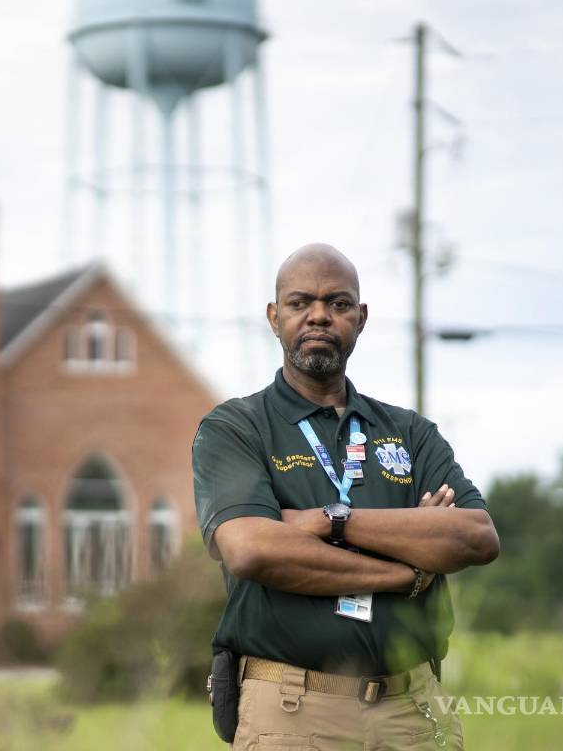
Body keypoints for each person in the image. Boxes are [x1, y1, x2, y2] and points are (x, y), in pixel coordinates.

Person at [193, 243, 500, 750]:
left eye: (337, 304)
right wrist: (410, 570)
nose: (318, 315)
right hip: (292, 710)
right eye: (299, 303)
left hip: (414, 709)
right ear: (274, 318)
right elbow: (251, 549)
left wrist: (330, 520)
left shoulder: (408, 433)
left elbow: (475, 536)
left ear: (360, 317)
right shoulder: (236, 428)